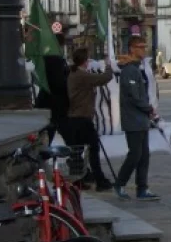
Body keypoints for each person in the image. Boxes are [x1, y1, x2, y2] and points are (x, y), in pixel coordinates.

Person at [115, 35, 159, 202]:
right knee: (135, 155)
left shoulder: (137, 69)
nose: (143, 49)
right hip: (133, 120)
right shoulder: (129, 71)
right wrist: (149, 109)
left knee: (144, 155)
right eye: (140, 46)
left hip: (141, 120)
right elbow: (134, 97)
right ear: (132, 49)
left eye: (144, 46)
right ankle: (120, 183)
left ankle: (142, 188)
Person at [66, 47, 114, 191]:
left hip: (76, 118)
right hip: (82, 119)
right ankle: (100, 181)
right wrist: (109, 66)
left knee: (78, 151)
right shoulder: (81, 75)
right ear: (85, 61)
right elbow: (104, 78)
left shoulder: (74, 73)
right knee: (93, 149)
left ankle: (80, 179)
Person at [35, 34, 71, 144]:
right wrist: (68, 80)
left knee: (48, 135)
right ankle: (76, 157)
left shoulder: (49, 58)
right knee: (63, 135)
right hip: (55, 104)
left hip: (49, 103)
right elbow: (58, 82)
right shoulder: (55, 60)